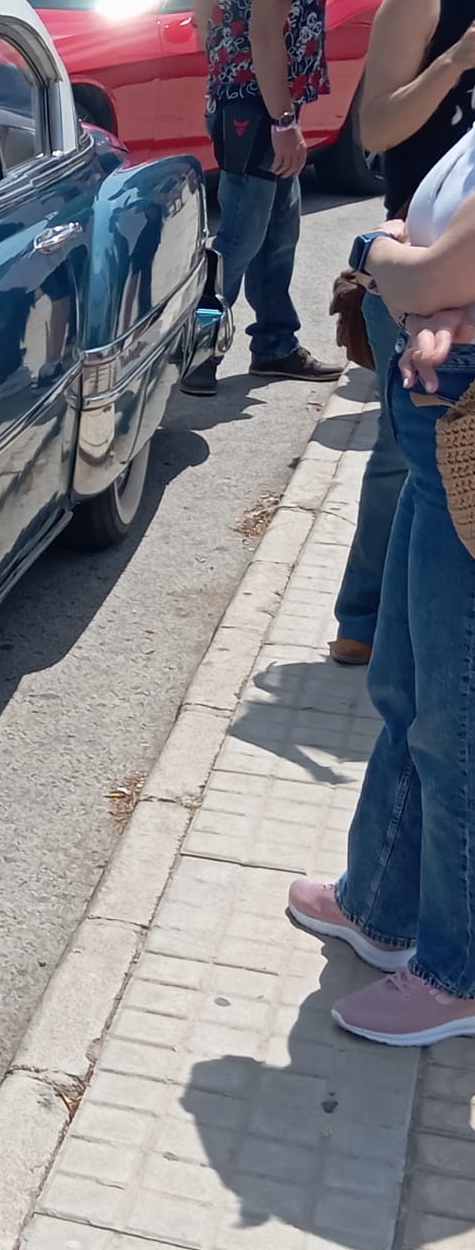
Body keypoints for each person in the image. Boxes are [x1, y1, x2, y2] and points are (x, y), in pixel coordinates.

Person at [284, 146, 475, 1046]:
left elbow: (435, 265)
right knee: (406, 685)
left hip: (463, 410)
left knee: (458, 718)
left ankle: (457, 969)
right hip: (443, 407)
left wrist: (375, 249)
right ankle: (382, 905)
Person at [328, 0, 475, 666]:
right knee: (404, 452)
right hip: (412, 260)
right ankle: (366, 617)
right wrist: (454, 63)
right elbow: (375, 132)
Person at [185, 0, 348, 394]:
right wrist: (282, 119)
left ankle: (275, 342)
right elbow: (266, 31)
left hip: (243, 97)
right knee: (242, 235)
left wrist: (213, 46)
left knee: (280, 230)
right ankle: (195, 351)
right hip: (258, 106)